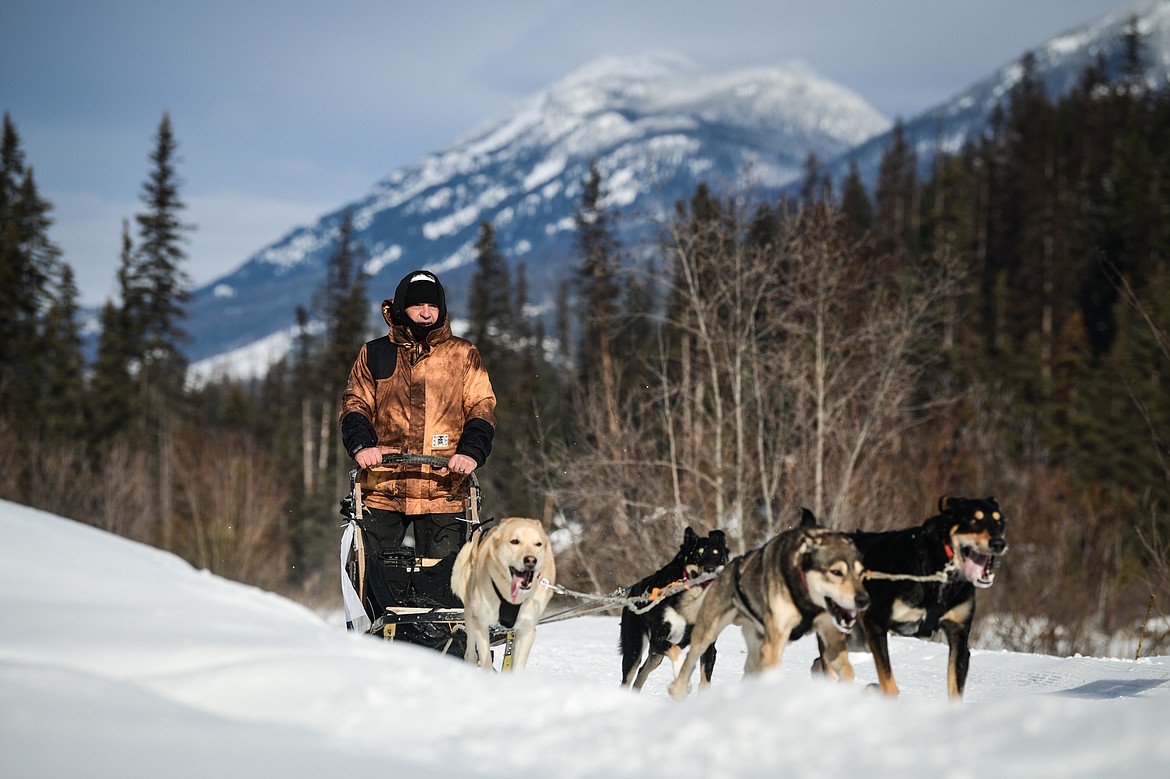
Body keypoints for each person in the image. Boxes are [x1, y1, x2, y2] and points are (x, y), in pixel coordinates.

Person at [339, 269, 496, 612]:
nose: (426, 312)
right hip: (383, 486)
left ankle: (445, 653)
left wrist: (470, 452)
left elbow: (482, 409)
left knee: (444, 589)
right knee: (374, 583)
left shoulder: (464, 355)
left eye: (432, 305)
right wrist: (362, 446)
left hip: (444, 487)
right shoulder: (374, 354)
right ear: (400, 309)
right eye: (417, 305)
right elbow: (355, 404)